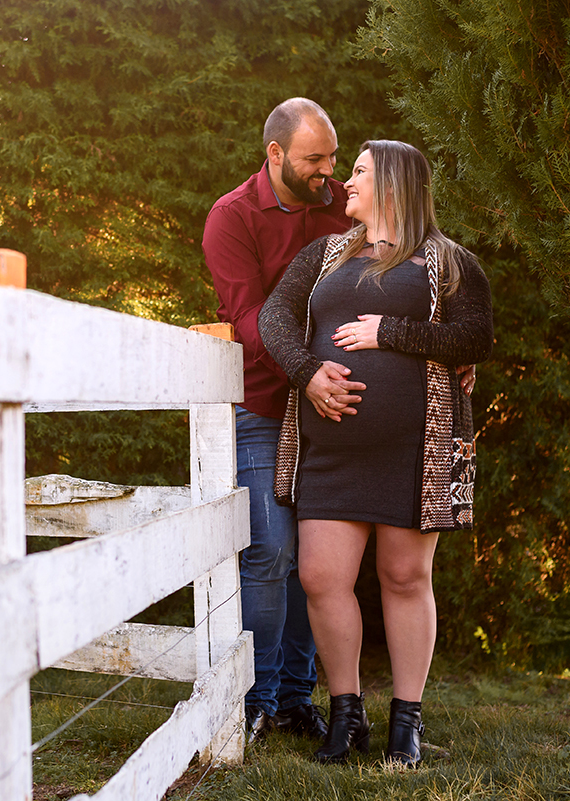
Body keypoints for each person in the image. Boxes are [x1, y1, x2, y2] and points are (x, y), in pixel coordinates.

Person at [259, 140, 493, 766]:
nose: (346, 183)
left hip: (419, 453)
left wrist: (388, 332)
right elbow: (274, 319)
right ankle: (347, 715)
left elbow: (476, 335)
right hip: (331, 455)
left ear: (393, 183)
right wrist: (309, 372)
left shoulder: (449, 262)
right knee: (321, 577)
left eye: (359, 172)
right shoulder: (325, 254)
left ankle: (406, 725)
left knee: (405, 576)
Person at [202, 97, 357, 743]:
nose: (330, 171)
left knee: (315, 561)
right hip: (267, 403)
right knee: (270, 550)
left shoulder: (340, 198)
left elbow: (410, 259)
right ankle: (255, 698)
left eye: (333, 156)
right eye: (314, 159)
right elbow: (247, 318)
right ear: (275, 154)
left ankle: (297, 697)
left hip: (336, 408)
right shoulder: (231, 218)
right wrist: (304, 371)